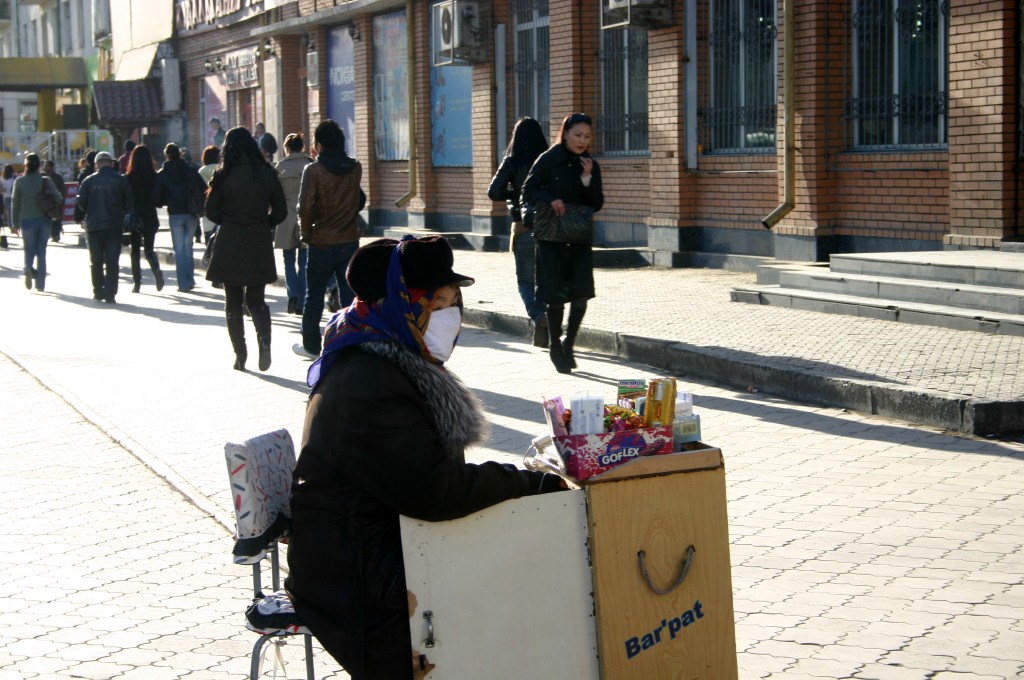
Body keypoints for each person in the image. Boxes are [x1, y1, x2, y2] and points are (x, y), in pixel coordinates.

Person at [285, 235, 565, 679]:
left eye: (455, 304)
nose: (451, 317)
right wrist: (530, 482)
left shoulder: (382, 357)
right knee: (504, 590)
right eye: (439, 304)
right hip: (356, 573)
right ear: (402, 303)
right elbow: (435, 493)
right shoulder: (370, 381)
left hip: (376, 542)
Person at [522, 112, 604, 374]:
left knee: (581, 295)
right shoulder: (548, 159)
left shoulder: (589, 164)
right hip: (552, 238)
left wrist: (587, 178)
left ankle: (569, 343)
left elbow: (596, 203)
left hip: (579, 238)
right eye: (577, 135)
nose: (582, 141)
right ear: (565, 133)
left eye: (587, 136)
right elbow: (528, 190)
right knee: (555, 296)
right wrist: (551, 199)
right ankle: (555, 346)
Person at [204, 126, 287, 372]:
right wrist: (264, 223)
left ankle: (240, 355)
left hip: (230, 240)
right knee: (256, 298)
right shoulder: (266, 172)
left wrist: (230, 220)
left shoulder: (223, 174)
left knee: (233, 301)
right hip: (258, 239)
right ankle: (264, 339)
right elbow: (281, 211)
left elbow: (211, 211)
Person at [292, 119, 366, 359]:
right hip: (349, 241)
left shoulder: (313, 170)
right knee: (350, 296)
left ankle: (311, 346)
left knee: (314, 296)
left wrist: (306, 235)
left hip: (321, 242)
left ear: (320, 144)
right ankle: (351, 344)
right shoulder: (355, 167)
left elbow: (304, 208)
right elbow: (357, 199)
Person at [487, 116, 549, 348]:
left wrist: (514, 195)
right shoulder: (548, 159)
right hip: (547, 228)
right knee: (544, 281)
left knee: (524, 281)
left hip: (522, 228)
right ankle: (543, 326)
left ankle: (538, 316)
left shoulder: (511, 161)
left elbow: (493, 192)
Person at [76, 151, 133, 304]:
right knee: (112, 261)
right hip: (114, 225)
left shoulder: (89, 181)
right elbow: (129, 202)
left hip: (94, 225)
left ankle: (98, 290)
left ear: (97, 164)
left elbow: (81, 202)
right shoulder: (121, 180)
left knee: (96, 260)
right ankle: (110, 293)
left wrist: (89, 211)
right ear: (111, 163)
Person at [153, 142, 207, 292]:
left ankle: (183, 283)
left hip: (175, 214)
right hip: (191, 213)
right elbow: (204, 188)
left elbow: (156, 195)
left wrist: (164, 201)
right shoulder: (190, 170)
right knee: (188, 247)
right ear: (180, 154)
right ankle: (190, 279)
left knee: (179, 249)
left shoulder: (163, 173)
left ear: (167, 156)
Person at [274, 133, 314, 315]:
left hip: (286, 216)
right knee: (304, 261)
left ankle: (293, 296)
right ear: (302, 147)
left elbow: (275, 195)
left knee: (288, 259)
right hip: (307, 216)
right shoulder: (311, 164)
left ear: (287, 148)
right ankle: (303, 301)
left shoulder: (281, 167)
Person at [11, 154, 62, 292]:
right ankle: (40, 284)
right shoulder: (46, 180)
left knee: (29, 250)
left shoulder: (19, 182)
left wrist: (15, 224)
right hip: (44, 220)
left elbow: (15, 204)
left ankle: (28, 268)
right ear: (39, 166)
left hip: (26, 220)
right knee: (41, 252)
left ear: (25, 166)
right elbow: (58, 198)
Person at [124, 145, 164, 294]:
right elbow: (158, 198)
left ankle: (137, 283)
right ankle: (156, 270)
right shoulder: (154, 177)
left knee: (134, 251)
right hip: (149, 215)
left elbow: (126, 199)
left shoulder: (128, 178)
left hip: (134, 217)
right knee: (149, 249)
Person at [198, 145, 220, 244]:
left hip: (207, 209)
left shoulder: (201, 172)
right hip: (222, 209)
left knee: (209, 242)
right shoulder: (223, 169)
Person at [42, 160, 66, 242]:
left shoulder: (58, 177)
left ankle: (56, 235)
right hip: (45, 202)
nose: (45, 167)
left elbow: (62, 190)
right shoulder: (42, 177)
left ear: (51, 167)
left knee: (57, 219)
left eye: (47, 166)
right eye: (44, 165)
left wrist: (61, 200)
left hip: (56, 202)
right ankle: (51, 234)